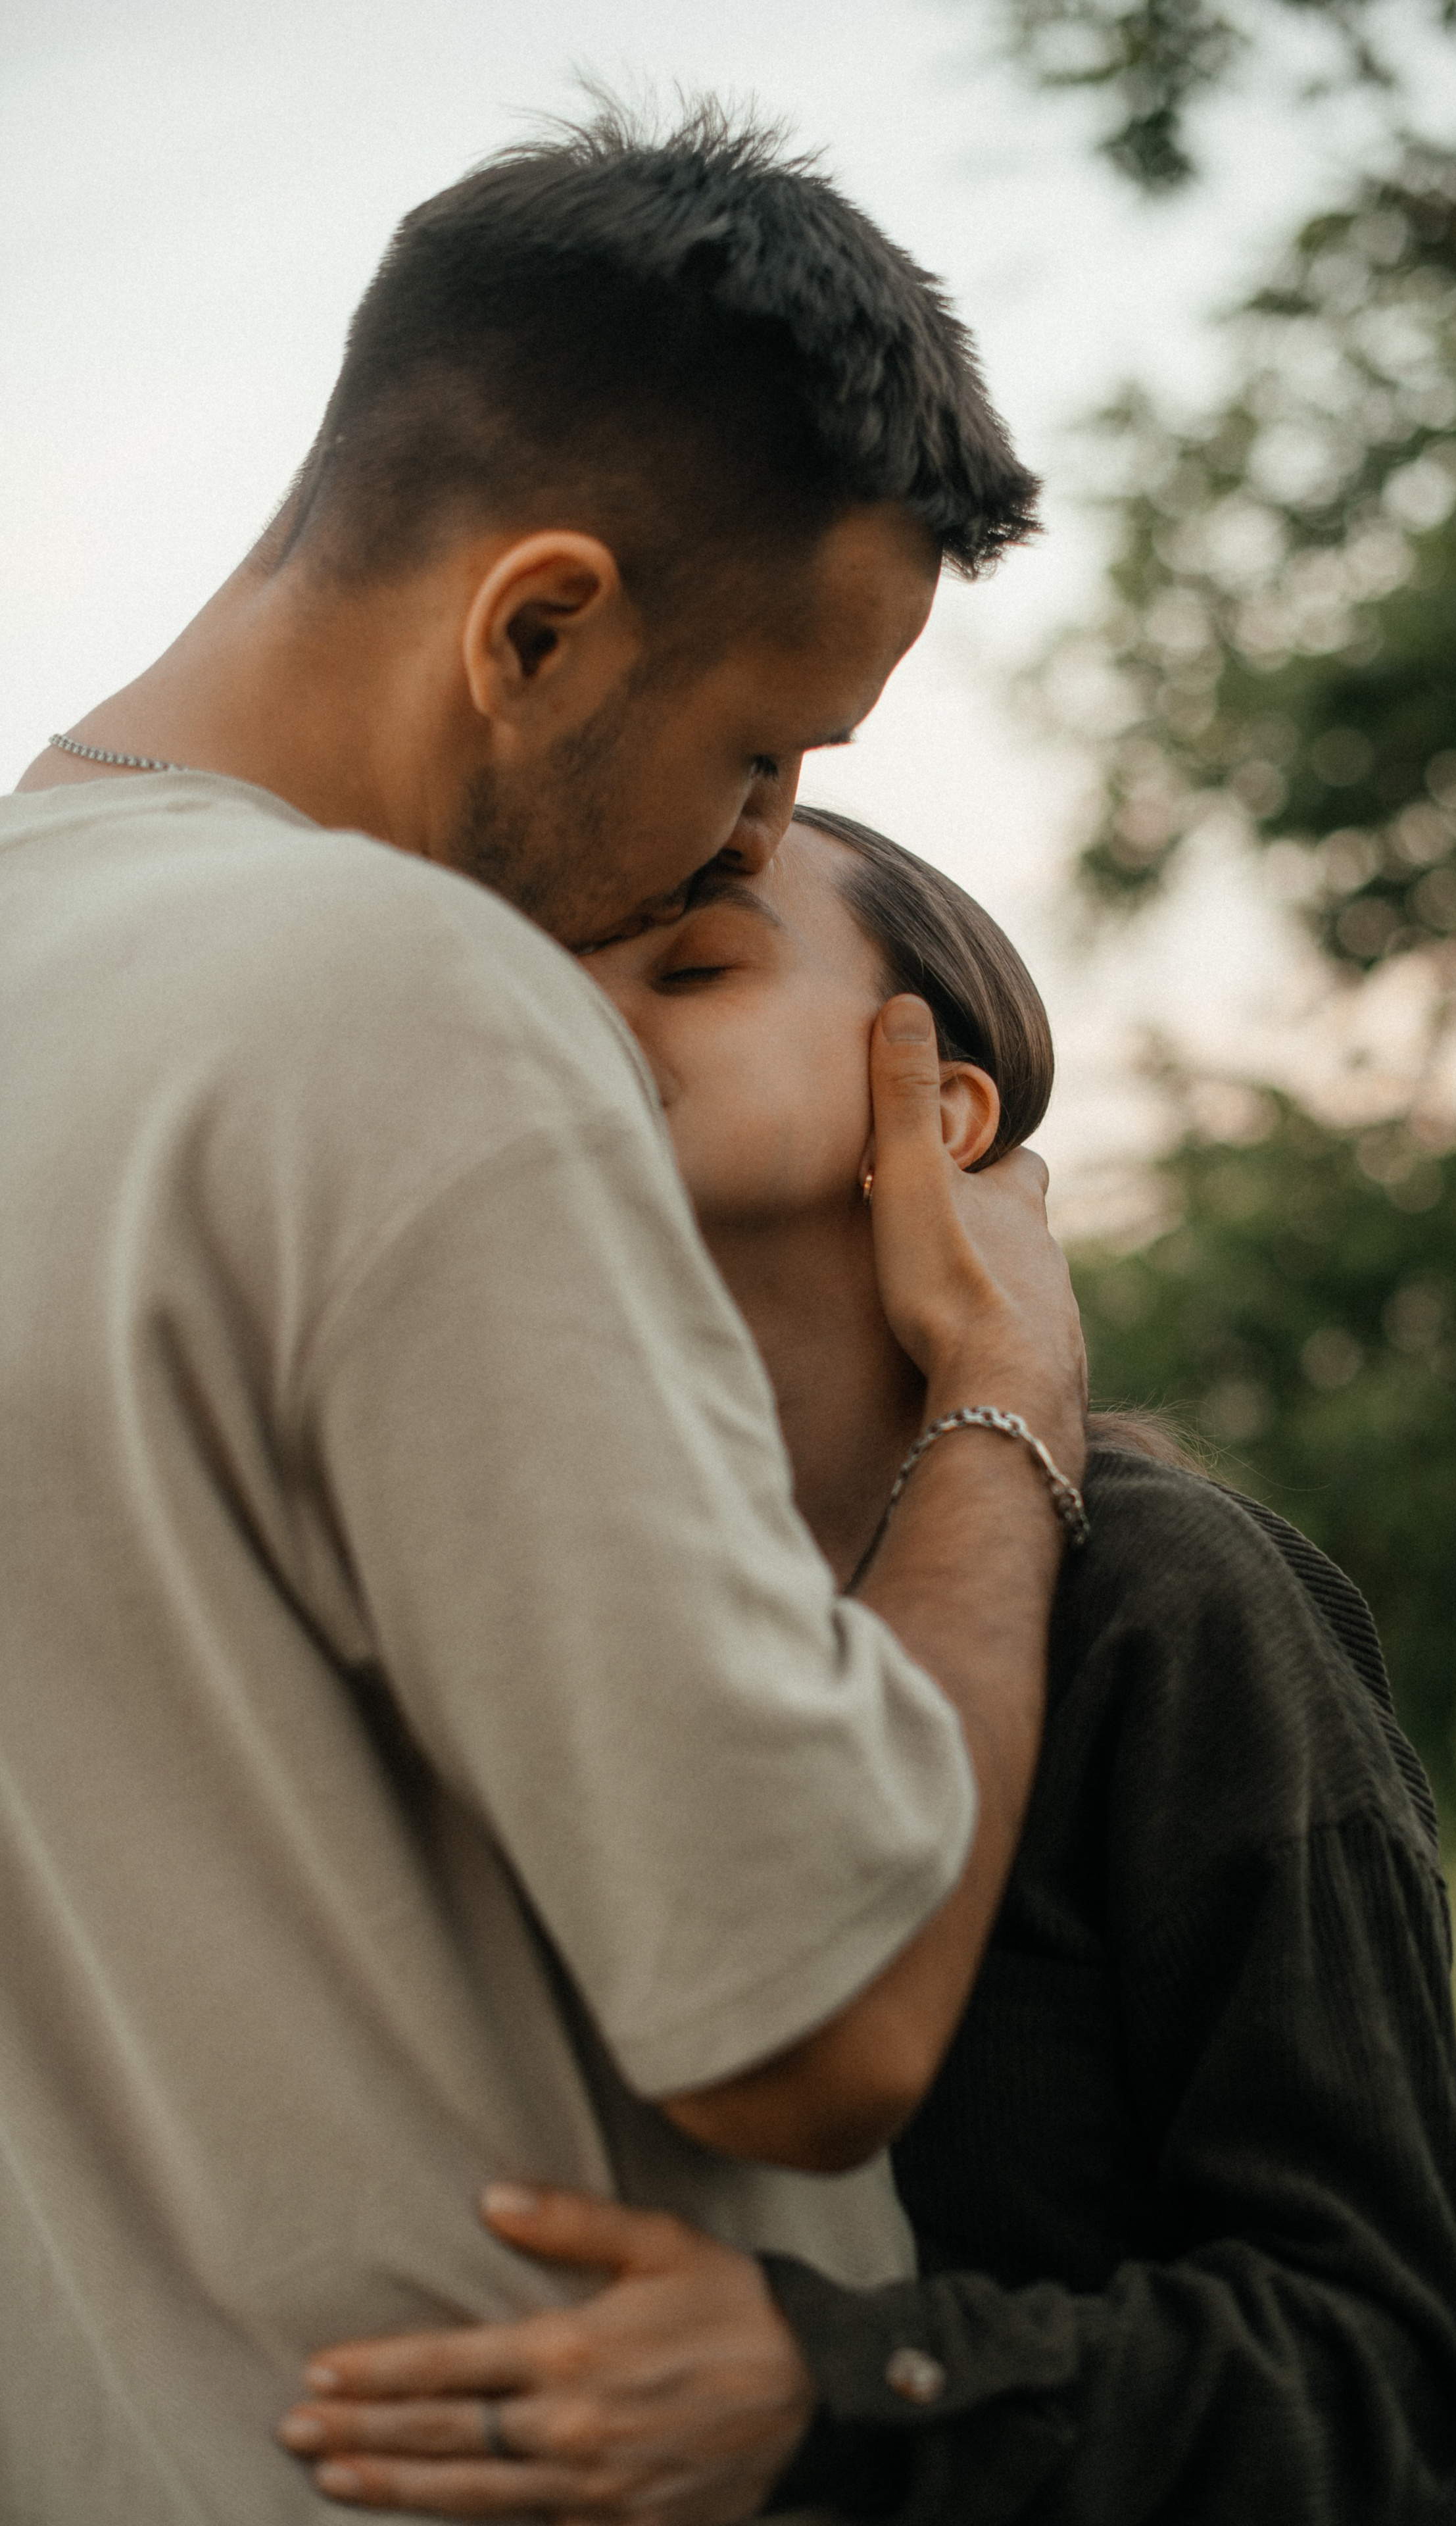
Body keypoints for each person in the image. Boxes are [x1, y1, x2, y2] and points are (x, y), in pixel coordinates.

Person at [0, 112, 1091, 2524]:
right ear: (536, 628)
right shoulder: (404, 1001)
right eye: (757, 745)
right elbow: (817, 2025)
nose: (763, 832)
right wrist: (1006, 1415)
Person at [280, 805, 1456, 2526]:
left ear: (934, 1114)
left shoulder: (1172, 1608)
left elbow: (1369, 2365)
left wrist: (840, 2389)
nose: (575, 1018)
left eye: (696, 962)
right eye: (542, 976)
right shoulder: (552, 1614)